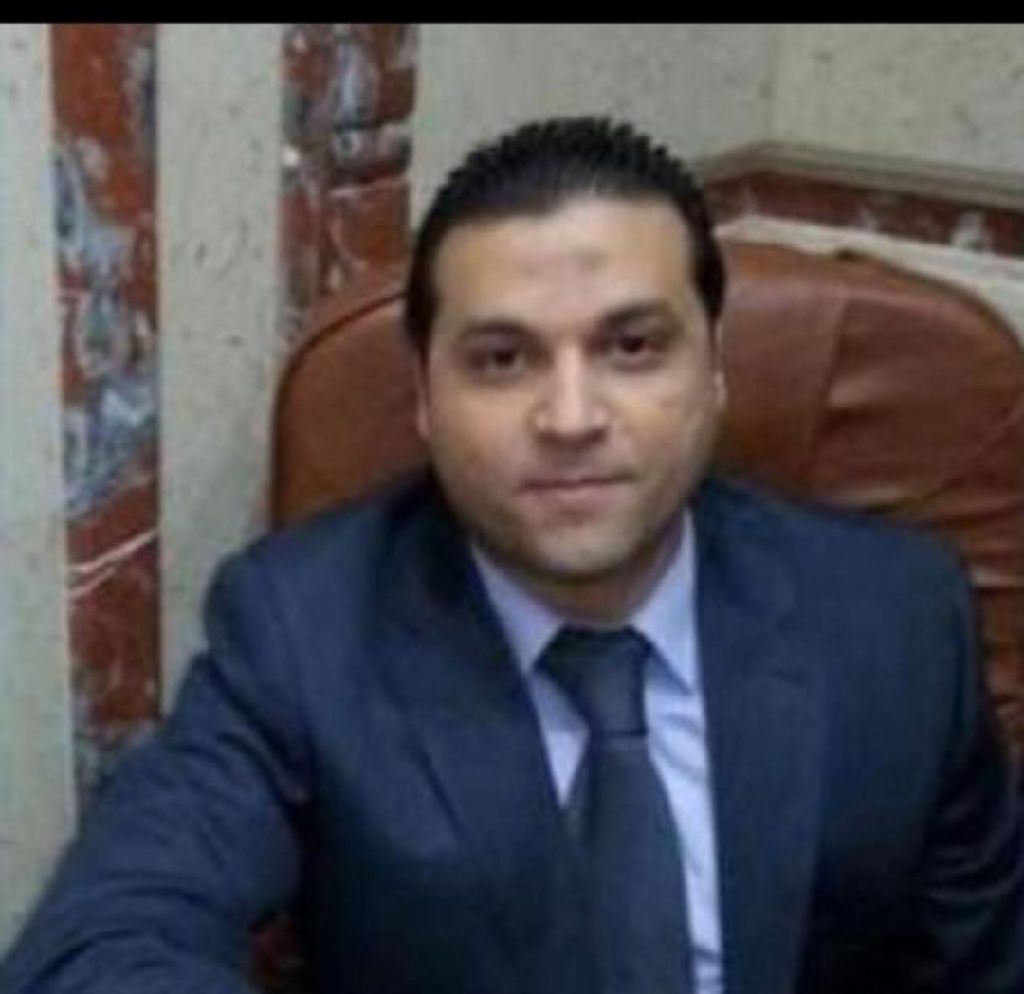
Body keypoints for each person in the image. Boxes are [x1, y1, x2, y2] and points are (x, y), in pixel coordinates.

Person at [3, 116, 1023, 994]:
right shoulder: (300, 627)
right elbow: (99, 946)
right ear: (424, 399)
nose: (570, 417)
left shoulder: (896, 617)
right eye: (501, 359)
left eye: (632, 346)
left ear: (714, 370)